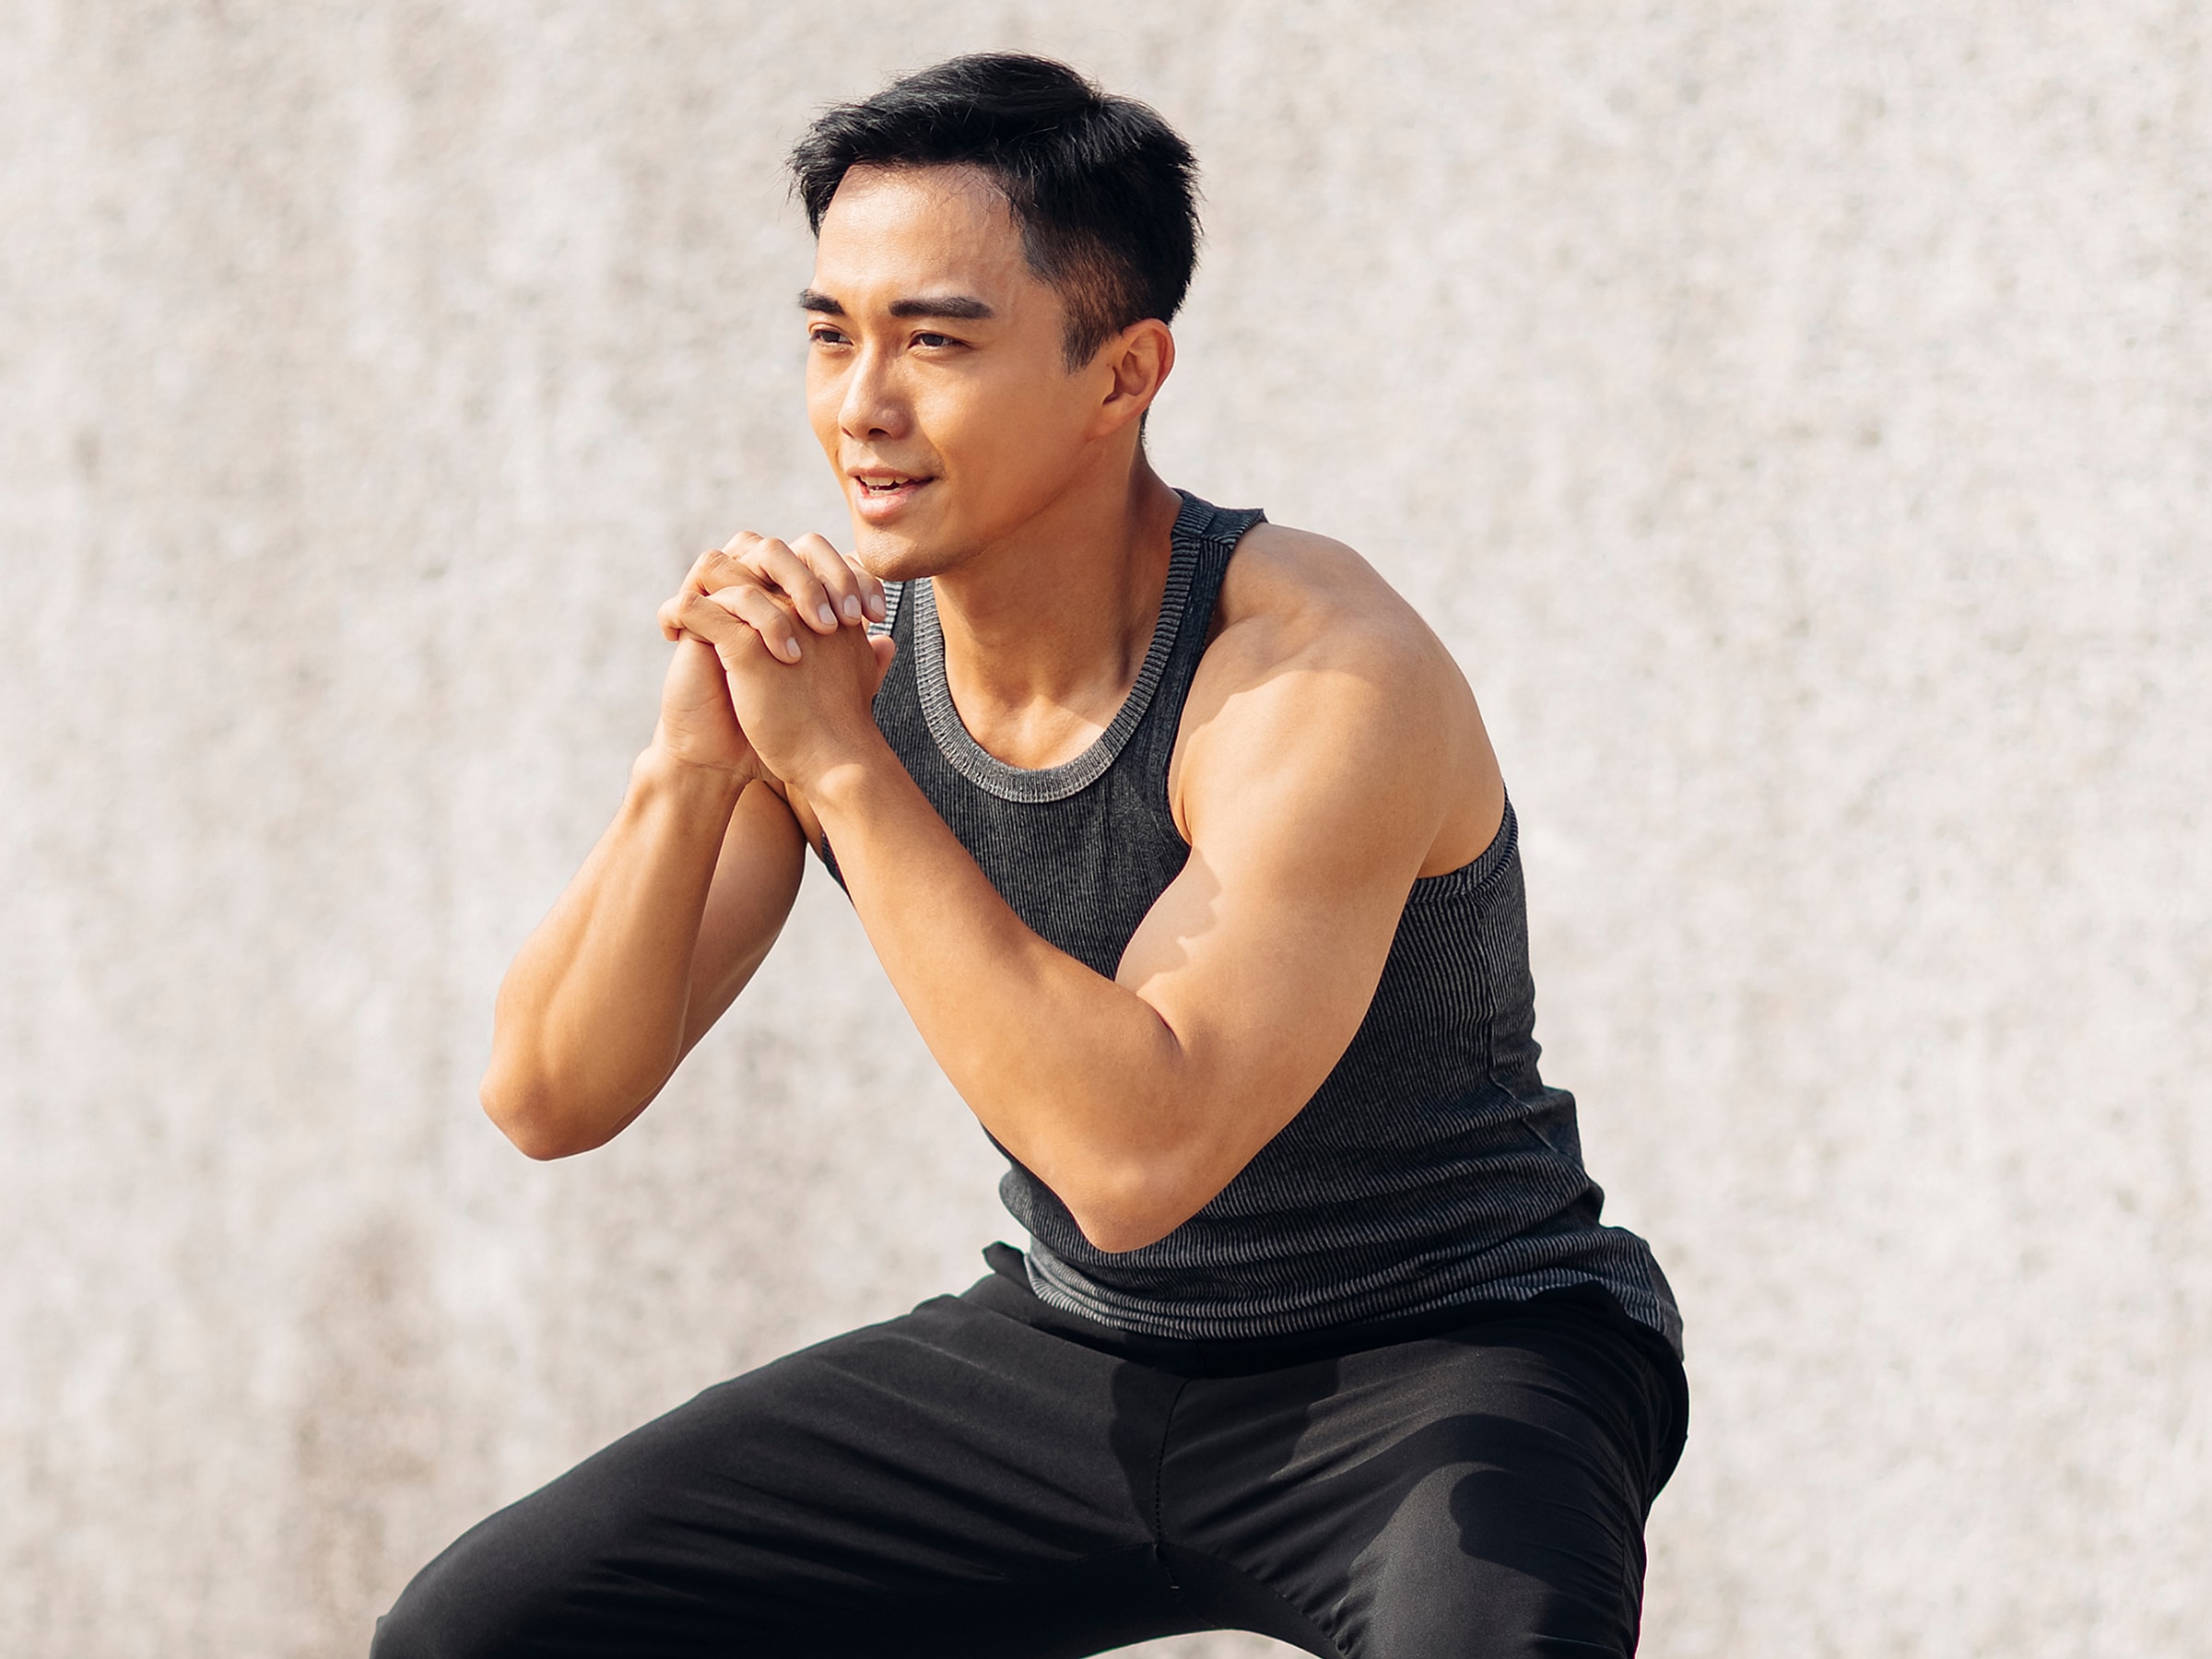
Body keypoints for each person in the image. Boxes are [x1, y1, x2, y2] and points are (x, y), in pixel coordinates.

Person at [373, 52, 1686, 1659]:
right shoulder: (842, 671)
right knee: (487, 1634)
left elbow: (1136, 1160)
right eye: (829, 334)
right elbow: (551, 1096)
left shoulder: (1316, 676)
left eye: (935, 340)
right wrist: (695, 761)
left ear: (1124, 375)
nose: (862, 404)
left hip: (1447, 1360)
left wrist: (841, 769)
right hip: (1081, 1353)